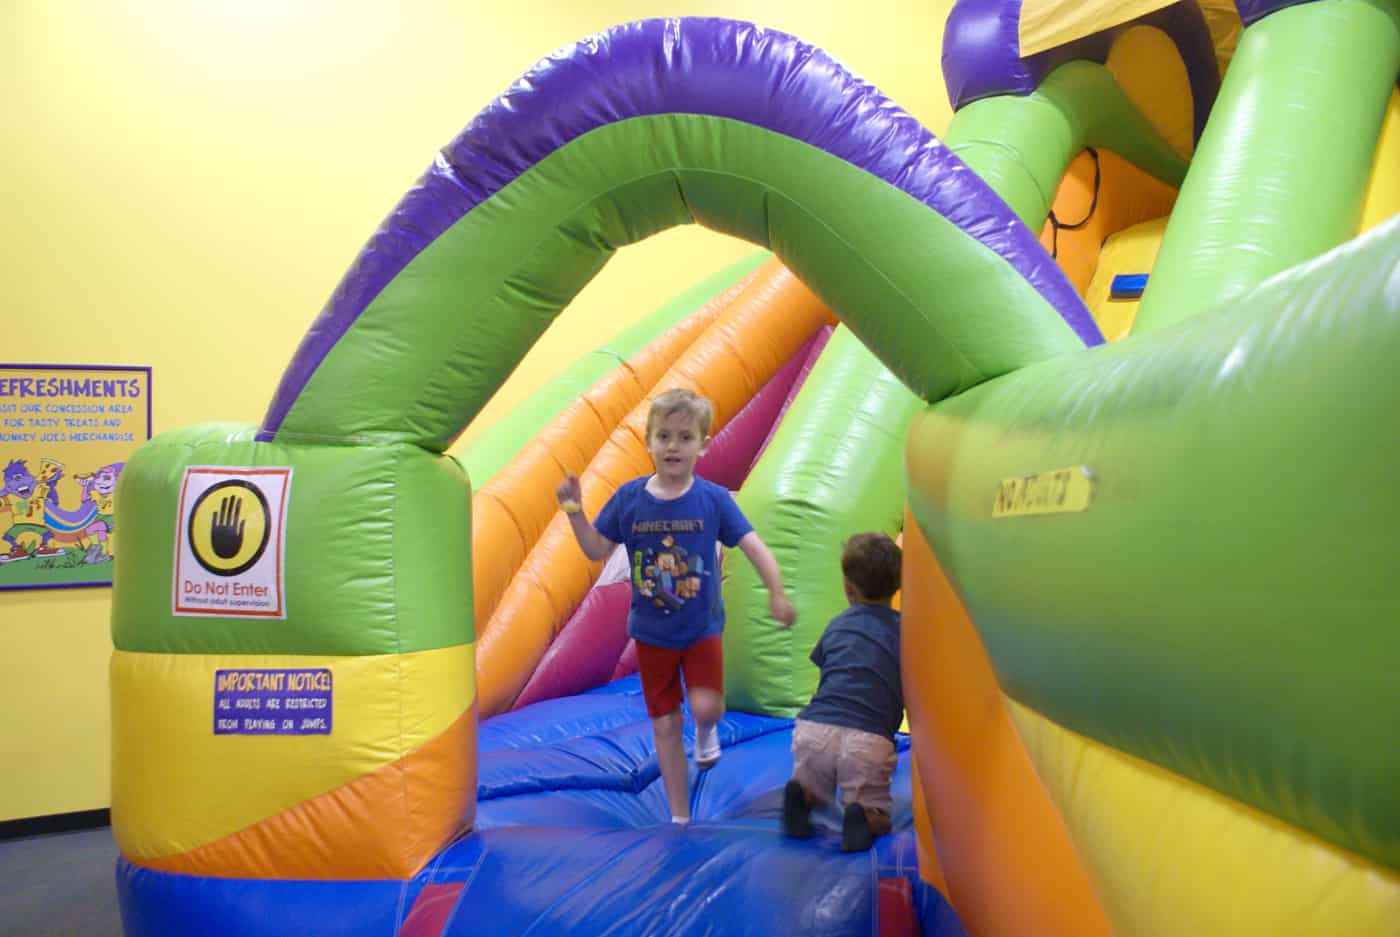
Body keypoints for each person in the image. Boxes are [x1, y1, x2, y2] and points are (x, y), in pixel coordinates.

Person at [556, 387, 796, 825]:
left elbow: (753, 546)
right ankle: (679, 816)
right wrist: (574, 511)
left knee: (705, 707)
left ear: (703, 446)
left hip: (702, 627)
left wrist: (776, 591)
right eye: (664, 436)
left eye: (685, 438)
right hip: (651, 635)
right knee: (664, 726)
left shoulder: (713, 499)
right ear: (648, 443)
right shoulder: (630, 499)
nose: (673, 446)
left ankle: (706, 732)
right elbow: (595, 549)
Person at [781, 532, 903, 852]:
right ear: (897, 586)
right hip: (869, 739)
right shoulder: (904, 630)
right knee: (876, 811)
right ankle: (864, 817)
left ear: (849, 588)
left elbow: (827, 676)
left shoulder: (837, 625)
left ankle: (803, 797)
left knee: (815, 782)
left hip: (814, 730)